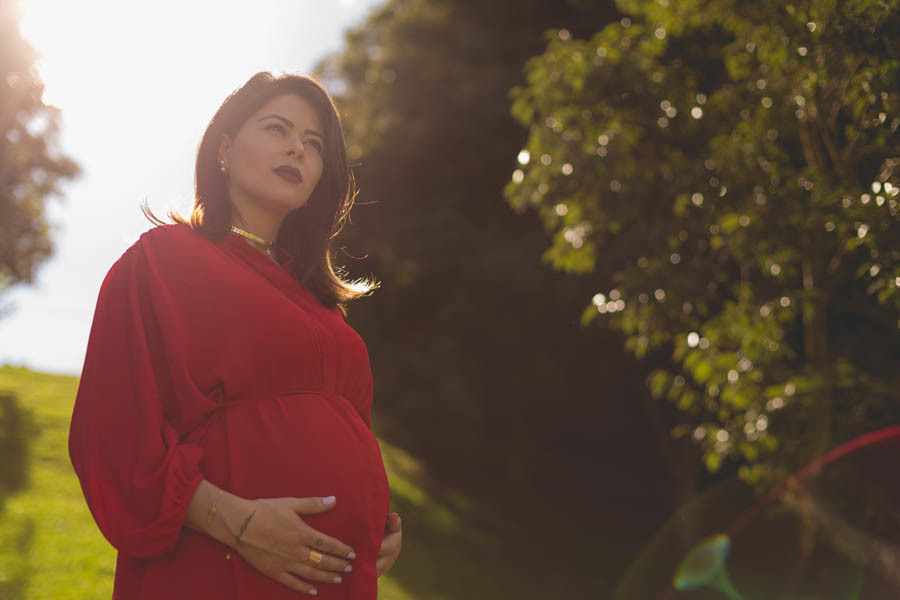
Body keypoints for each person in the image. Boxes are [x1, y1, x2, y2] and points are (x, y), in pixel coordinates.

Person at [68, 71, 402, 599]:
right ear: (224, 148)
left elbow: (342, 432)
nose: (297, 148)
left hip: (331, 578)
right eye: (277, 128)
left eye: (313, 145)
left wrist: (376, 520)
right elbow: (110, 439)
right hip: (218, 565)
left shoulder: (321, 307)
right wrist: (240, 525)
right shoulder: (162, 261)